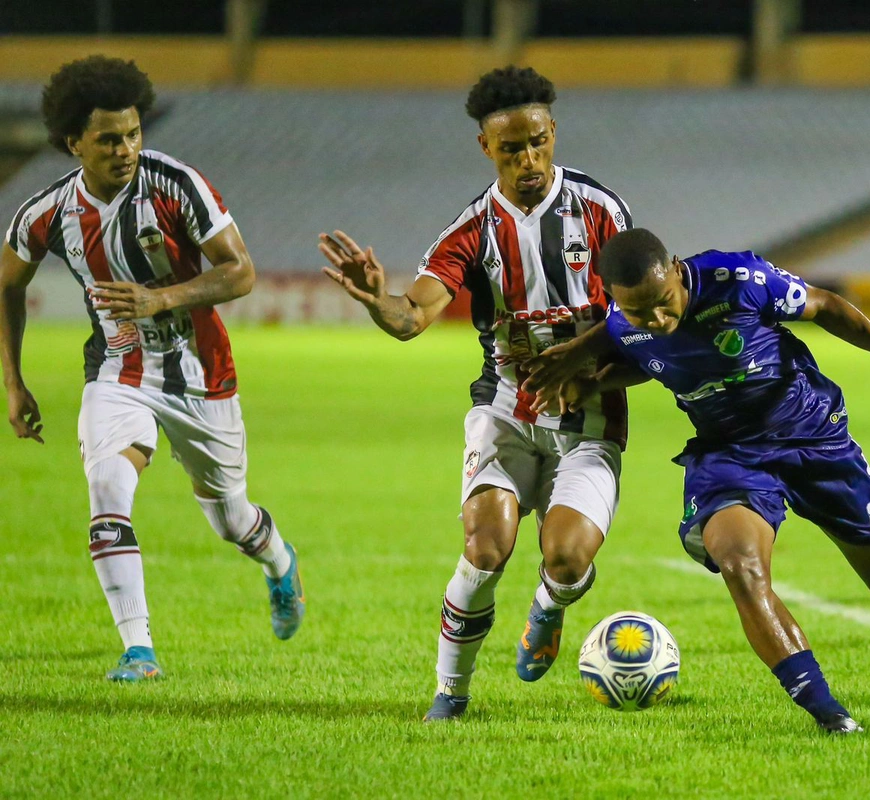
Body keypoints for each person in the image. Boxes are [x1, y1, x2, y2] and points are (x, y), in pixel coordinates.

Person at [524, 228, 870, 733]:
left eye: (665, 303)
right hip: (731, 456)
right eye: (641, 314)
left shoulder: (736, 279)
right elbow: (654, 358)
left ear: (674, 267)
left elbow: (821, 304)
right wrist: (590, 382)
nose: (658, 320)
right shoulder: (626, 326)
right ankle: (829, 713)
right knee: (740, 564)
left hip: (812, 436)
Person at [319, 66, 633, 721]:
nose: (530, 160)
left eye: (540, 142)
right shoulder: (471, 232)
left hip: (589, 420)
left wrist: (592, 365)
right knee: (485, 549)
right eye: (513, 148)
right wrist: (378, 297)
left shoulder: (601, 212)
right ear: (486, 148)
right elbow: (412, 318)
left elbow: (640, 319)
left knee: (568, 558)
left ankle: (549, 608)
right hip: (507, 414)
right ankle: (450, 695)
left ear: (554, 133)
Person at [0, 56, 305, 682]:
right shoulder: (46, 213)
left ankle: (278, 561)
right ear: (72, 143)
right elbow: (6, 285)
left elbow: (240, 271)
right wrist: (13, 380)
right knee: (108, 490)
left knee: (231, 518)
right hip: (118, 371)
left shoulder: (176, 184)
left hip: (201, 373)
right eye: (109, 138)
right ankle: (138, 651)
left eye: (134, 133)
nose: (126, 148)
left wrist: (159, 298)